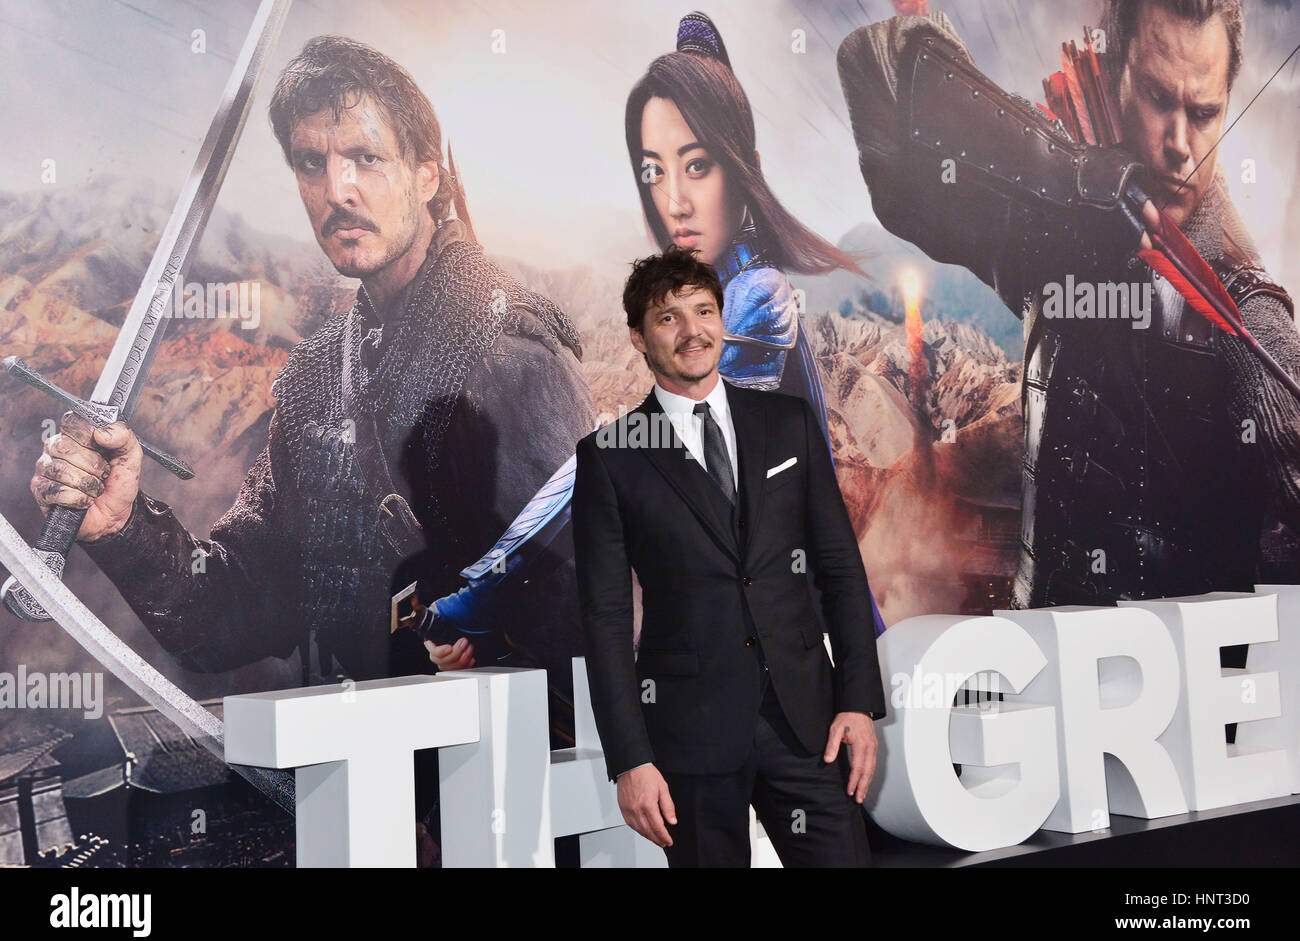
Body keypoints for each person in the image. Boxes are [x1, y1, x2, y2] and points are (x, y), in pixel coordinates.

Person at [29, 36, 595, 860]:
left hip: (502, 814)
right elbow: (234, 608)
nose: (339, 190)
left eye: (366, 157)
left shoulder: (511, 354)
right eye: (311, 163)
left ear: (427, 174)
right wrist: (122, 526)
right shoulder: (316, 379)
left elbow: (599, 622)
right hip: (358, 800)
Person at [837, 1, 1300, 610]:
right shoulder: (1057, 230)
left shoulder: (1253, 315)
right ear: (1111, 75)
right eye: (1159, 98)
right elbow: (883, 91)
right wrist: (1079, 182)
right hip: (1050, 658)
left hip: (1189, 685)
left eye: (1205, 112)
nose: (1180, 146)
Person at [572, 245, 887, 867]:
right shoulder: (611, 456)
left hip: (808, 727)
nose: (693, 331)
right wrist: (631, 759)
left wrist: (857, 701)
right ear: (638, 337)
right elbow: (605, 619)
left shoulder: (787, 422)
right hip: (688, 736)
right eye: (669, 318)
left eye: (704, 311)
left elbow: (841, 571)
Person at [627, 9, 886, 635]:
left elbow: (669, 457)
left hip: (804, 643)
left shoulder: (756, 296)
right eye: (653, 170)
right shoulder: (715, 295)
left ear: (744, 171)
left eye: (696, 165)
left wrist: (482, 594)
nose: (673, 203)